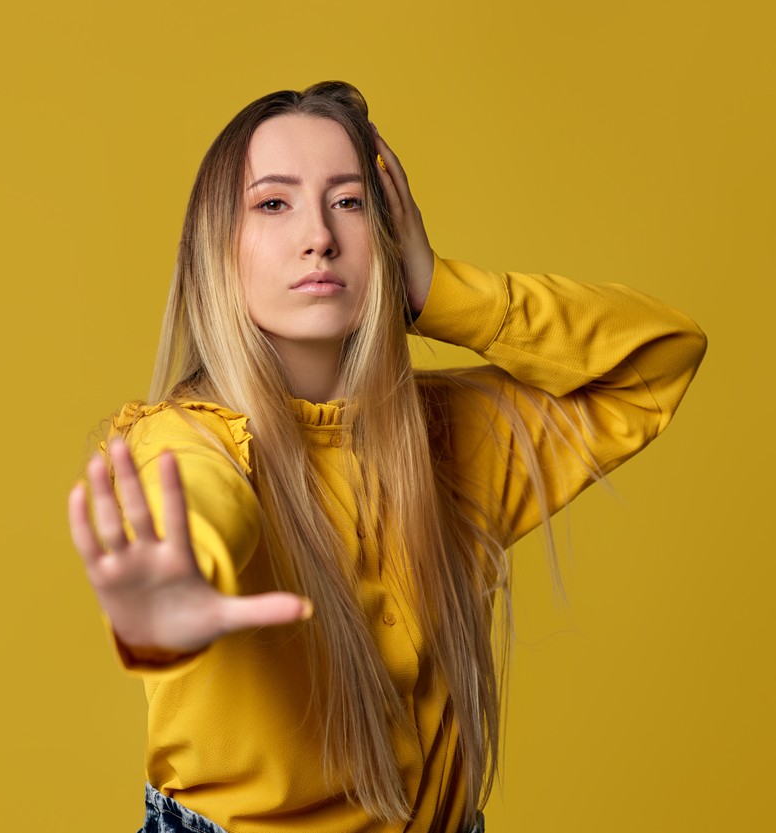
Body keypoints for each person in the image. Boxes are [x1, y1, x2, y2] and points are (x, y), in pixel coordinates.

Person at [67, 81, 706, 833]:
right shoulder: (185, 439)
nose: (319, 236)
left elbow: (658, 358)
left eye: (348, 202)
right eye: (273, 203)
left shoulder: (446, 438)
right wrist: (175, 589)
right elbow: (200, 509)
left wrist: (437, 289)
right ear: (217, 246)